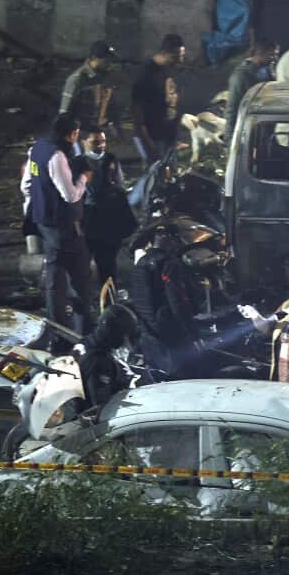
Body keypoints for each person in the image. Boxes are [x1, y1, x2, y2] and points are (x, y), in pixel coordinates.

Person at [23, 114, 92, 332]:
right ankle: (84, 329)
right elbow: (70, 195)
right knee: (80, 277)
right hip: (63, 226)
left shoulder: (37, 148)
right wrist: (83, 179)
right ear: (72, 134)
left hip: (44, 223)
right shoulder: (57, 157)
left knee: (55, 276)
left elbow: (26, 185)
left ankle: (58, 328)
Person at [73, 128, 136, 294]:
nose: (101, 145)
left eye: (103, 141)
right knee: (83, 263)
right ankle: (84, 299)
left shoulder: (110, 159)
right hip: (88, 219)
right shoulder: (77, 163)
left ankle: (109, 298)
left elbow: (119, 183)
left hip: (109, 218)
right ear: (83, 142)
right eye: (96, 142)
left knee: (108, 262)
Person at [131, 224, 198, 377]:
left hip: (148, 333)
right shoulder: (168, 264)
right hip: (169, 334)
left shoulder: (141, 263)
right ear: (168, 239)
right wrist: (192, 331)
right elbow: (177, 300)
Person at [131, 34, 186, 170]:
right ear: (167, 53)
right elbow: (137, 117)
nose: (181, 61)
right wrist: (150, 148)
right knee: (155, 176)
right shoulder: (145, 75)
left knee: (170, 175)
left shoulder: (169, 70)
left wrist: (175, 137)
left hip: (167, 138)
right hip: (153, 138)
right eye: (178, 57)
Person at [59, 40, 120, 150]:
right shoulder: (76, 80)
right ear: (95, 58)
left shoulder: (101, 78)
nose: (110, 63)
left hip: (96, 138)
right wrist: (74, 144)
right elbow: (64, 114)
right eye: (107, 60)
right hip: (81, 140)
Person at [74, 304, 138, 408]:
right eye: (124, 335)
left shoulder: (85, 343)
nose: (124, 341)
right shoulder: (99, 361)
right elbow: (102, 406)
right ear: (114, 331)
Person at [225, 38, 278, 139]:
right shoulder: (240, 76)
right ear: (260, 53)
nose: (274, 58)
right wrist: (230, 137)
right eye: (271, 55)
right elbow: (232, 108)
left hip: (265, 129)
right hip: (249, 131)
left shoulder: (267, 70)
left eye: (276, 55)